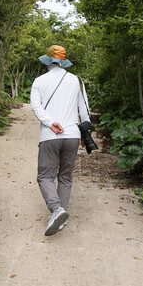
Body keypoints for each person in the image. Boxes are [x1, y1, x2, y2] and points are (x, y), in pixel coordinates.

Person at [30, 45, 91, 236]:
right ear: (64, 62)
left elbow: (35, 106)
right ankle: (61, 215)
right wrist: (84, 133)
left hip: (51, 136)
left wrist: (50, 123)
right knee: (65, 177)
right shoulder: (76, 80)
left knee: (45, 176)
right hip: (72, 135)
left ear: (47, 61)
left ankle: (57, 210)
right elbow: (85, 111)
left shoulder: (39, 81)